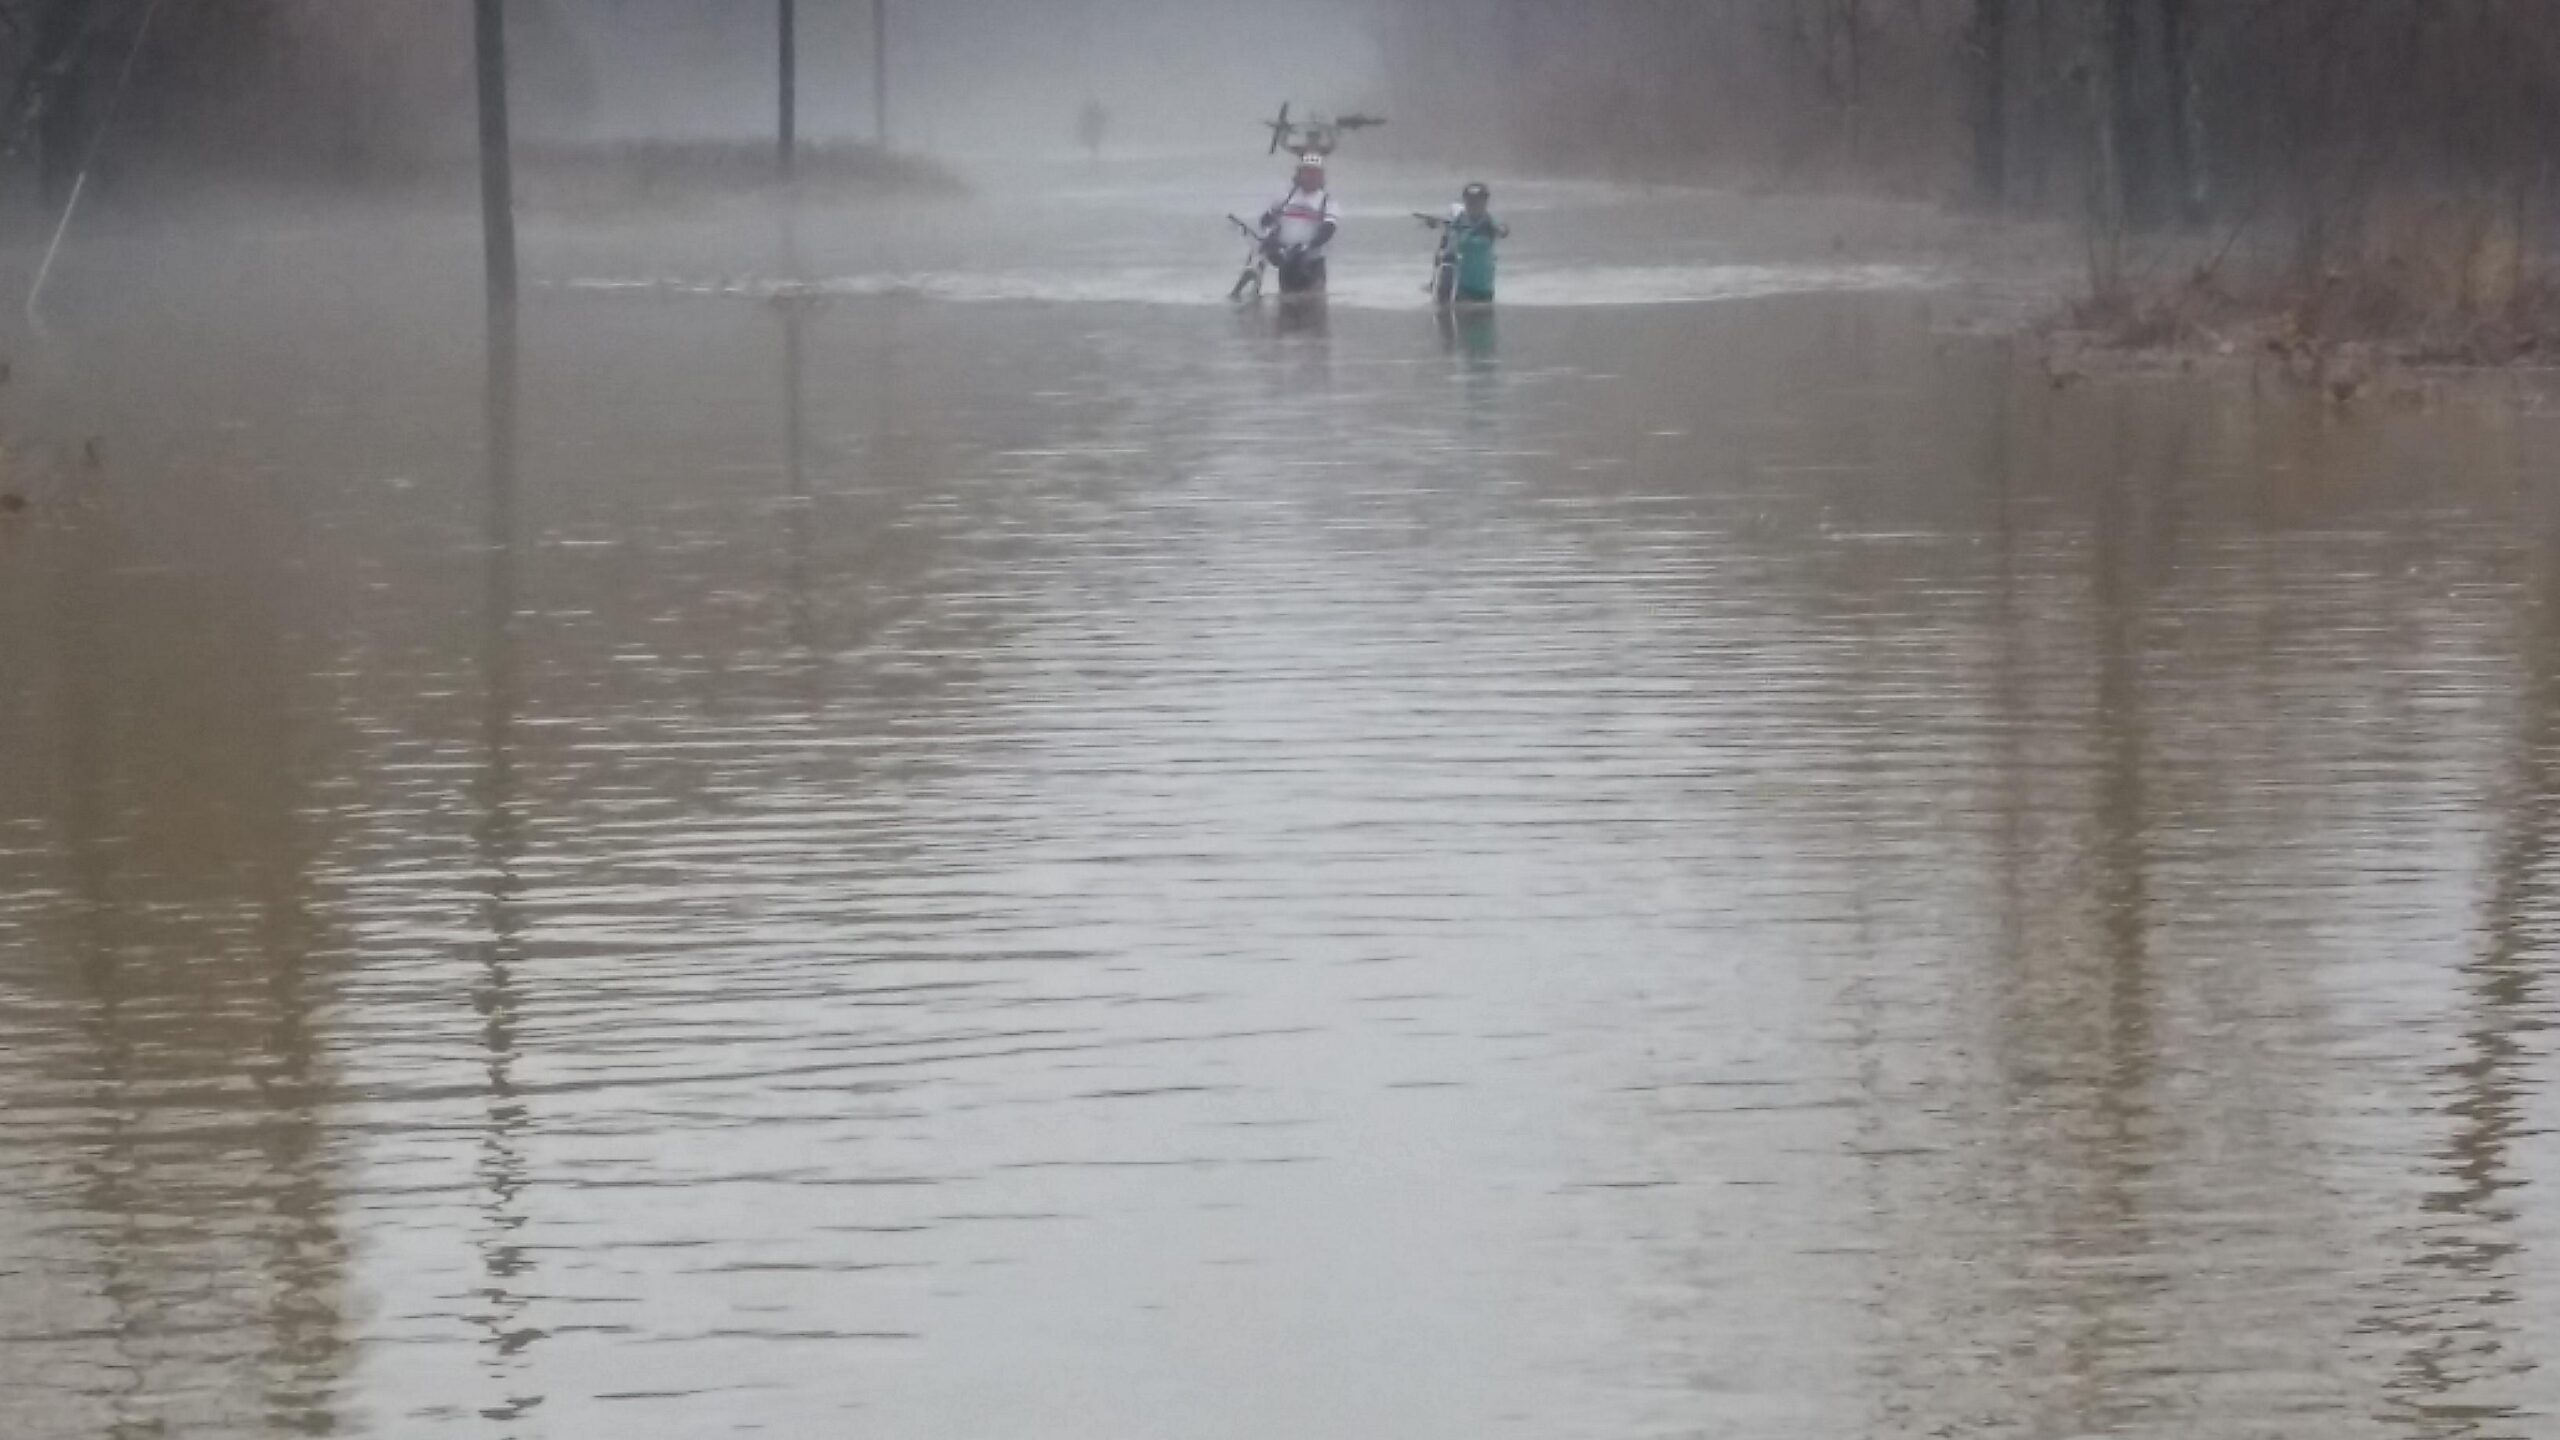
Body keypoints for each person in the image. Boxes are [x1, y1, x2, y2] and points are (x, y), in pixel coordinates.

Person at [1258, 153, 1340, 296]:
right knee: (1286, 304)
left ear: (1321, 176)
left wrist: (1307, 246)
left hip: (1312, 263)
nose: (1310, 177)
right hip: (1286, 260)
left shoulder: (1327, 201)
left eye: (1315, 173)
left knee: (1312, 306)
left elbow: (1328, 229)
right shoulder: (1285, 197)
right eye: (1307, 172)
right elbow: (1266, 220)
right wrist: (1270, 239)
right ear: (1299, 174)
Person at [1436, 181, 1509, 306]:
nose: (1474, 204)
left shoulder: (1489, 221)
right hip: (1461, 287)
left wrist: (1497, 230)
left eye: (1478, 201)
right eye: (1470, 201)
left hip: (1484, 287)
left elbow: (1503, 231)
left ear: (1485, 202)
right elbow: (1447, 242)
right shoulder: (1459, 219)